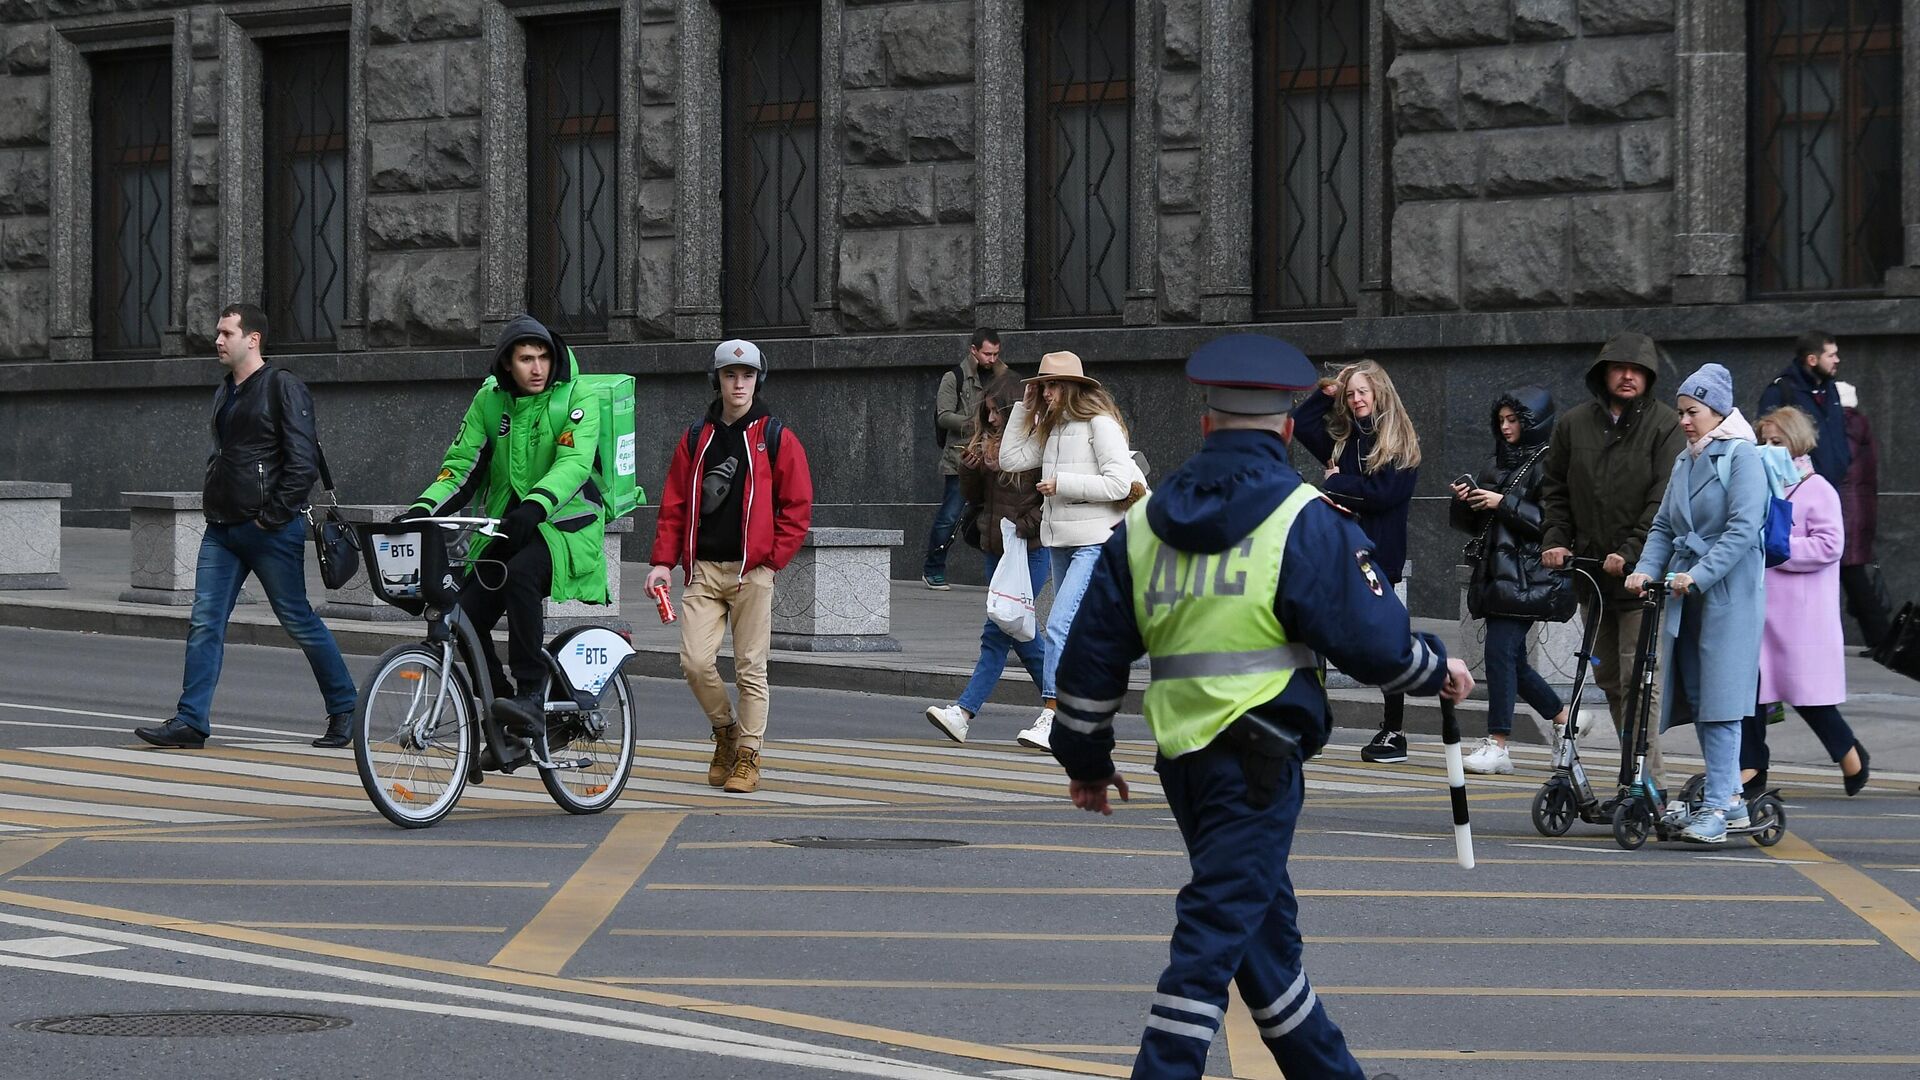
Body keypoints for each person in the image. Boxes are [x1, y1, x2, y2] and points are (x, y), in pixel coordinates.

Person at [1049, 333, 1464, 1080]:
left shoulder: (1143, 524)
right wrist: (1437, 669)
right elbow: (1372, 644)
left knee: (1265, 950)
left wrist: (1086, 759)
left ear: (1207, 426)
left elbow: (1088, 658)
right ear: (1282, 429)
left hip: (1184, 763)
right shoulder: (1304, 516)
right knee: (1210, 945)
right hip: (1262, 760)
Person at [135, 303, 358, 751]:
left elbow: (303, 463)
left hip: (270, 530)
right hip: (222, 529)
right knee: (205, 622)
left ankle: (345, 706)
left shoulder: (282, 386)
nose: (218, 341)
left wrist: (272, 516)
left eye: (226, 333)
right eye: (217, 333)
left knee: (297, 620)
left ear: (252, 338)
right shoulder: (225, 390)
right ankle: (191, 721)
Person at [397, 315, 608, 766]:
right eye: (526, 359)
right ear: (507, 364)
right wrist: (421, 510)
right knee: (464, 616)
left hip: (566, 526)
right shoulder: (489, 403)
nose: (538, 368)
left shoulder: (576, 396)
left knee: (520, 575)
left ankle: (532, 694)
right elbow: (461, 467)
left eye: (544, 357)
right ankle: (506, 716)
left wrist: (534, 507)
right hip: (504, 527)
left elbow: (573, 464)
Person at [646, 340, 813, 795]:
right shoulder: (696, 436)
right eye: (729, 375)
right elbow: (674, 505)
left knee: (750, 668)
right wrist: (662, 562)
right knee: (695, 663)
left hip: (750, 573)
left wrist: (770, 560)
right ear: (716, 379)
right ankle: (725, 732)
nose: (739, 384)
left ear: (759, 379)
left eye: (748, 375)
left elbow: (797, 507)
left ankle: (747, 756)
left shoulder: (775, 437)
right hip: (703, 570)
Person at [1627, 363, 1768, 845]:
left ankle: (1718, 808)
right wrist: (1645, 569)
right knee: (1704, 700)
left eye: (1693, 412)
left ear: (1717, 411)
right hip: (1688, 595)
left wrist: (1698, 574)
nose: (1684, 421)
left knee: (1722, 703)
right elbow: (1665, 525)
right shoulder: (1687, 458)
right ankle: (1728, 802)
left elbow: (1743, 529)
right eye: (1682, 411)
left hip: (1727, 597)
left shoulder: (1744, 457)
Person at [1538, 332, 1687, 789]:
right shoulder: (1574, 424)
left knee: (1639, 680)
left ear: (1649, 377)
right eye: (1619, 368)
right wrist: (1556, 537)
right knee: (1609, 679)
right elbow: (1555, 488)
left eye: (1637, 370)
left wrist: (1630, 552)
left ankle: (1649, 781)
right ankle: (1633, 771)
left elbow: (1663, 501)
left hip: (1640, 579)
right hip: (1592, 578)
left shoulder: (1664, 425)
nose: (1628, 376)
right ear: (1602, 374)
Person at [999, 350, 1144, 751]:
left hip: (1097, 540)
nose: (1045, 393)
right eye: (1042, 385)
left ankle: (1053, 714)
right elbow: (1010, 459)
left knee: (1060, 625)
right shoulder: (1051, 428)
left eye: (1052, 385)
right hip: (1061, 540)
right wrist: (1021, 410)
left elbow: (1119, 485)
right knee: (1075, 631)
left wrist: (1063, 483)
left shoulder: (1100, 424)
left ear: (1073, 388)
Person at [1289, 359, 1421, 763]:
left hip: (1378, 556)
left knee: (1384, 643)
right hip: (1335, 552)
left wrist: (1336, 483)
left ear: (1380, 391)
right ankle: (1312, 720)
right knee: (1315, 635)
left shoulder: (1400, 443)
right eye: (1351, 394)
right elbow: (1302, 422)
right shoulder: (1344, 438)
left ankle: (1394, 732)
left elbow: (1381, 495)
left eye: (1363, 391)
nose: (1356, 398)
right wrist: (1329, 390)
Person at [1746, 406, 1871, 796]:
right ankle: (1751, 770)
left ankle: (1850, 753)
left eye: (1776, 442)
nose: (1768, 448)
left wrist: (1780, 548)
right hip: (1763, 611)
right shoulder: (1764, 486)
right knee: (1749, 692)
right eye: (1763, 442)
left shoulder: (1817, 488)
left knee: (1806, 696)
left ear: (1796, 442)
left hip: (1799, 614)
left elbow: (1831, 544)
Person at [1449, 386, 1572, 774]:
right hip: (1496, 572)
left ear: (1532, 422)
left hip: (1529, 574)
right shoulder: (1497, 462)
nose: (1505, 428)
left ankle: (1498, 742)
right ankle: (1564, 721)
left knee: (1501, 654)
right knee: (1512, 663)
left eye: (1513, 420)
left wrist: (1502, 502)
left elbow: (1554, 523)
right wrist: (1465, 500)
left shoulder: (1550, 462)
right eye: (1501, 420)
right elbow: (1478, 525)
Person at [924, 372, 1051, 742]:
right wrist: (971, 463)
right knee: (1022, 635)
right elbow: (971, 494)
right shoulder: (989, 441)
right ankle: (1067, 708)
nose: (993, 419)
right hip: (997, 549)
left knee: (998, 632)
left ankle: (963, 712)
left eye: (999, 412)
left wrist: (1026, 524)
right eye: (989, 412)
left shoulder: (1036, 443)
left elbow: (1049, 498)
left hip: (1029, 548)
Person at [922, 328, 1003, 590]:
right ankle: (933, 569)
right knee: (950, 516)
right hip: (961, 459)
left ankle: (1002, 574)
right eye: (987, 353)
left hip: (993, 457)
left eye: (996, 354)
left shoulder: (1003, 375)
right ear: (974, 351)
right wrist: (975, 423)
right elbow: (943, 416)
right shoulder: (954, 377)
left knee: (998, 516)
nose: (992, 359)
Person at [1835, 381, 1892, 649]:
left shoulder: (1845, 425)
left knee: (1854, 579)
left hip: (1846, 514)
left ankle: (1882, 639)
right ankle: (1881, 640)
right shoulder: (1860, 423)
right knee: (1854, 578)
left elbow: (1839, 465)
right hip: (1856, 512)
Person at [1757, 331, 1850, 488]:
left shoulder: (1830, 389)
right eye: (1831, 356)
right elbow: (1763, 438)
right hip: (1799, 486)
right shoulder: (1781, 390)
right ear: (1812, 360)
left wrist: (1845, 459)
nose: (1837, 360)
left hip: (1835, 485)